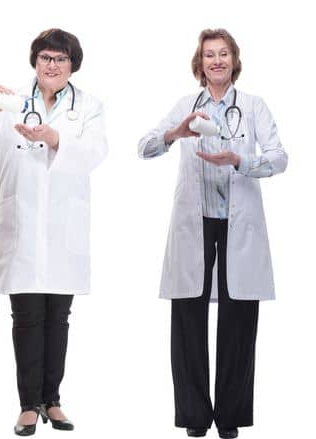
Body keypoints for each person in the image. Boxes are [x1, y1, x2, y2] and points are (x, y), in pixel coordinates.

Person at [0, 28, 107, 437]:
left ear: (73, 65)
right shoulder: (10, 102)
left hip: (63, 230)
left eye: (61, 59)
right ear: (35, 62)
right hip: (21, 226)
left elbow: (95, 152)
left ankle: (53, 399)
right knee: (27, 317)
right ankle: (28, 405)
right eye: (46, 58)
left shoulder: (88, 106)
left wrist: (54, 137)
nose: (52, 65)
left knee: (59, 317)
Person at [137, 28, 286, 439]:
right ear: (199, 63)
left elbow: (279, 158)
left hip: (240, 224)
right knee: (188, 320)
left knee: (238, 323)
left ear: (234, 60)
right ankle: (195, 417)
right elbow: (145, 146)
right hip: (195, 223)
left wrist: (240, 160)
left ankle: (231, 418)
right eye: (209, 55)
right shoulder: (186, 106)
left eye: (223, 54)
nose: (217, 61)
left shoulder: (254, 107)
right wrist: (174, 134)